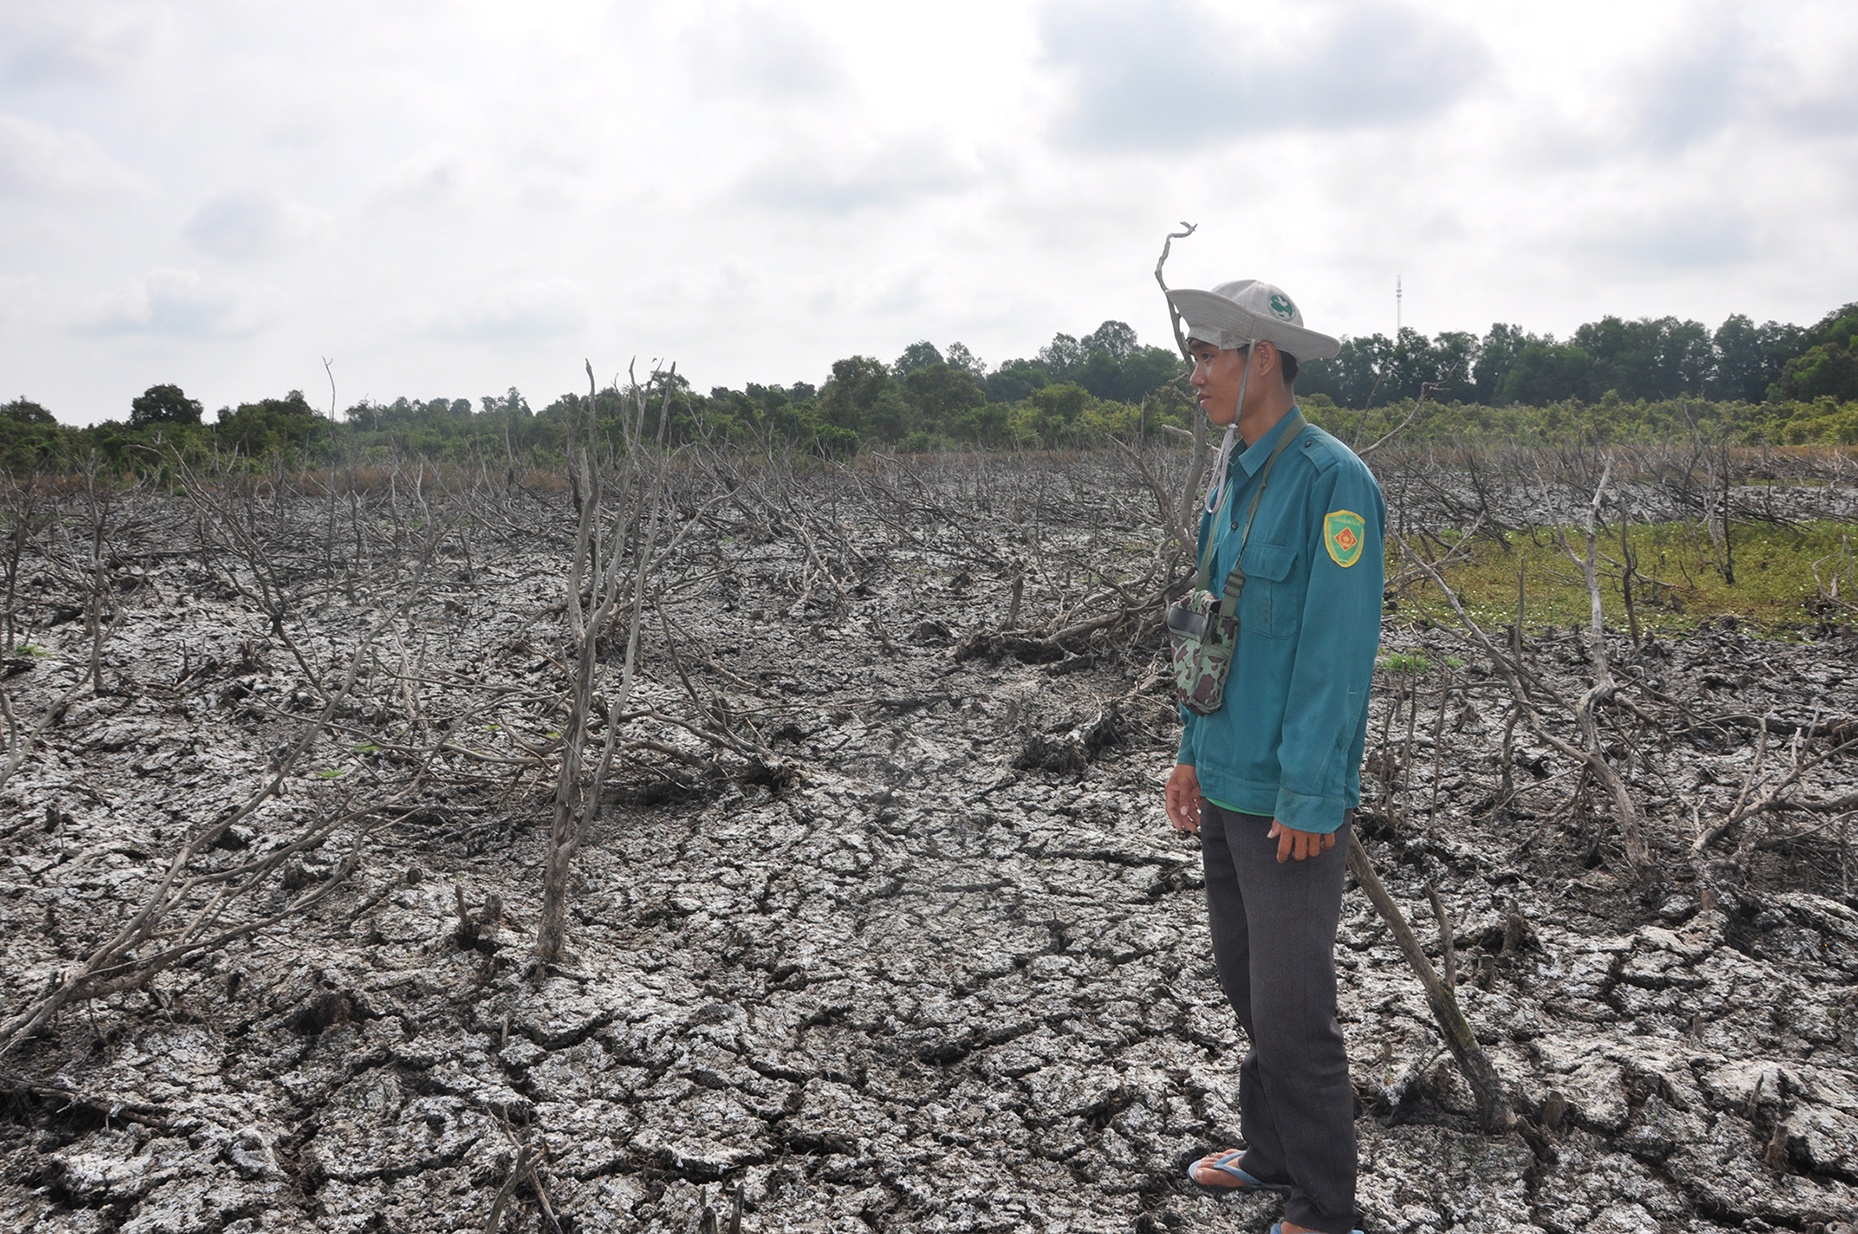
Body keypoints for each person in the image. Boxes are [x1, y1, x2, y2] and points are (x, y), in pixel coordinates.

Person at [1161, 279, 1384, 1234]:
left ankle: (1328, 1204)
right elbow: (1211, 628)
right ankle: (1270, 1152)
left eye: (1208, 356)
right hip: (1224, 777)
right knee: (1246, 986)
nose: (1197, 376)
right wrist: (1189, 750)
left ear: (1261, 359)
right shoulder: (1232, 473)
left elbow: (1337, 653)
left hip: (1289, 801)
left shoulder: (1334, 482)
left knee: (1294, 1011)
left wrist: (1311, 794)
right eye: (1194, 357)